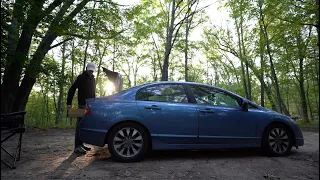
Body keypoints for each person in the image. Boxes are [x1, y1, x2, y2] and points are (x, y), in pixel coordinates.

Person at [67, 62, 96, 155]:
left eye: (92, 70)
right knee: (79, 125)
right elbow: (72, 89)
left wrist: (94, 103)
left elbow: (93, 92)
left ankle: (81, 144)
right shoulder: (81, 77)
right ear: (87, 68)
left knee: (85, 125)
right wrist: (69, 103)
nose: (91, 72)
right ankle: (76, 147)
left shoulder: (93, 79)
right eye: (89, 70)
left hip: (90, 105)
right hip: (82, 104)